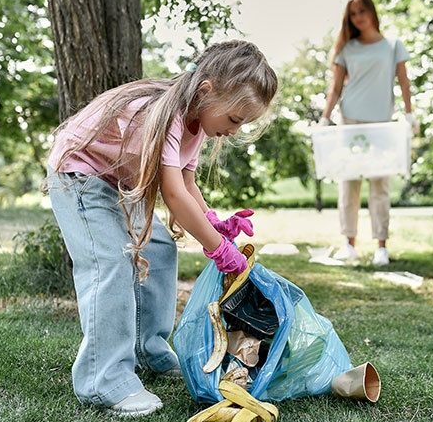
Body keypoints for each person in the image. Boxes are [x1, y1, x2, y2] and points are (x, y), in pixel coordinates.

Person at [42, 40, 278, 417]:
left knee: (161, 250)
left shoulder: (197, 124)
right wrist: (219, 250)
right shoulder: (163, 114)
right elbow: (171, 193)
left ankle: (148, 350)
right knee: (112, 262)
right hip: (80, 176)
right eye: (234, 119)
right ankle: (104, 381)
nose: (234, 131)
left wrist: (214, 222)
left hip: (118, 182)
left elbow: (187, 185)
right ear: (207, 91)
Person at [319, 0, 416, 266]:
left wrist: (409, 115)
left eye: (362, 11)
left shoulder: (394, 45)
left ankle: (381, 247)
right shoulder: (346, 50)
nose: (358, 17)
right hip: (349, 121)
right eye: (353, 14)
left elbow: (404, 83)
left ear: (372, 12)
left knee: (380, 185)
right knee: (349, 184)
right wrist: (325, 119)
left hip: (382, 124)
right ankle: (348, 244)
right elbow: (336, 88)